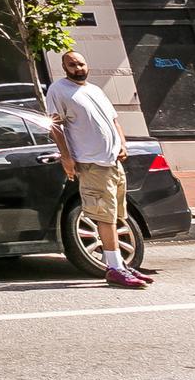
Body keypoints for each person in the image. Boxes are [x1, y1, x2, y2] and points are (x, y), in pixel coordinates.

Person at [47, 51, 150, 289]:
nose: (77, 68)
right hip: (92, 163)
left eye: (81, 63)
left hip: (113, 162)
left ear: (87, 65)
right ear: (64, 67)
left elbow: (113, 120)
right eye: (72, 65)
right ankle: (114, 269)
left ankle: (121, 264)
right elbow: (55, 125)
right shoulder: (59, 90)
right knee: (104, 216)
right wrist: (67, 157)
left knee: (116, 215)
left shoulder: (95, 90)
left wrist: (122, 144)